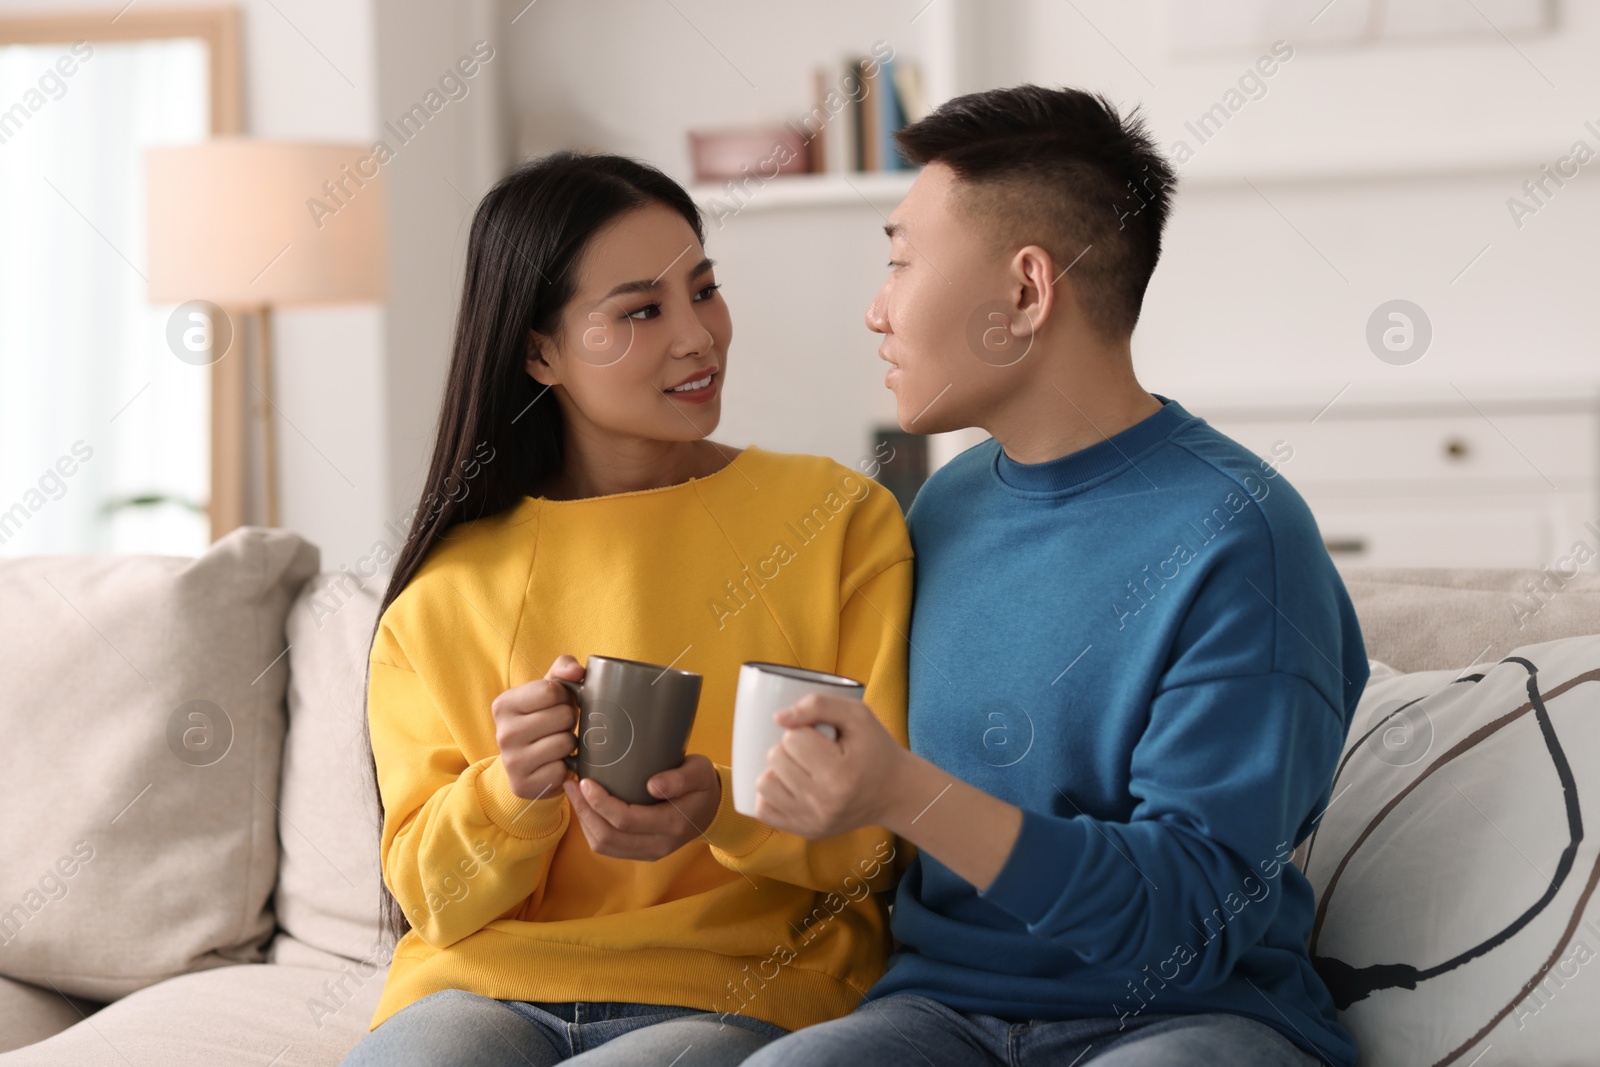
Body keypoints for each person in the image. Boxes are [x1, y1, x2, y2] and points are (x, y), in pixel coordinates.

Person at [741, 86, 1367, 1067]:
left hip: (1186, 1020)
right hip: (939, 1011)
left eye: (901, 259)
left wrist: (906, 791)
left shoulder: (1243, 538)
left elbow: (1190, 928)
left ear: (1027, 292)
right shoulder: (940, 509)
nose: (875, 306)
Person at [339, 151, 912, 1067]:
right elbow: (431, 898)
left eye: (705, 290)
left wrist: (722, 808)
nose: (698, 336)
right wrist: (509, 791)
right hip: (484, 984)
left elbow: (880, 841)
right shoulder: (442, 592)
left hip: (741, 988)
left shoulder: (837, 521)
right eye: (642, 310)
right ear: (540, 352)